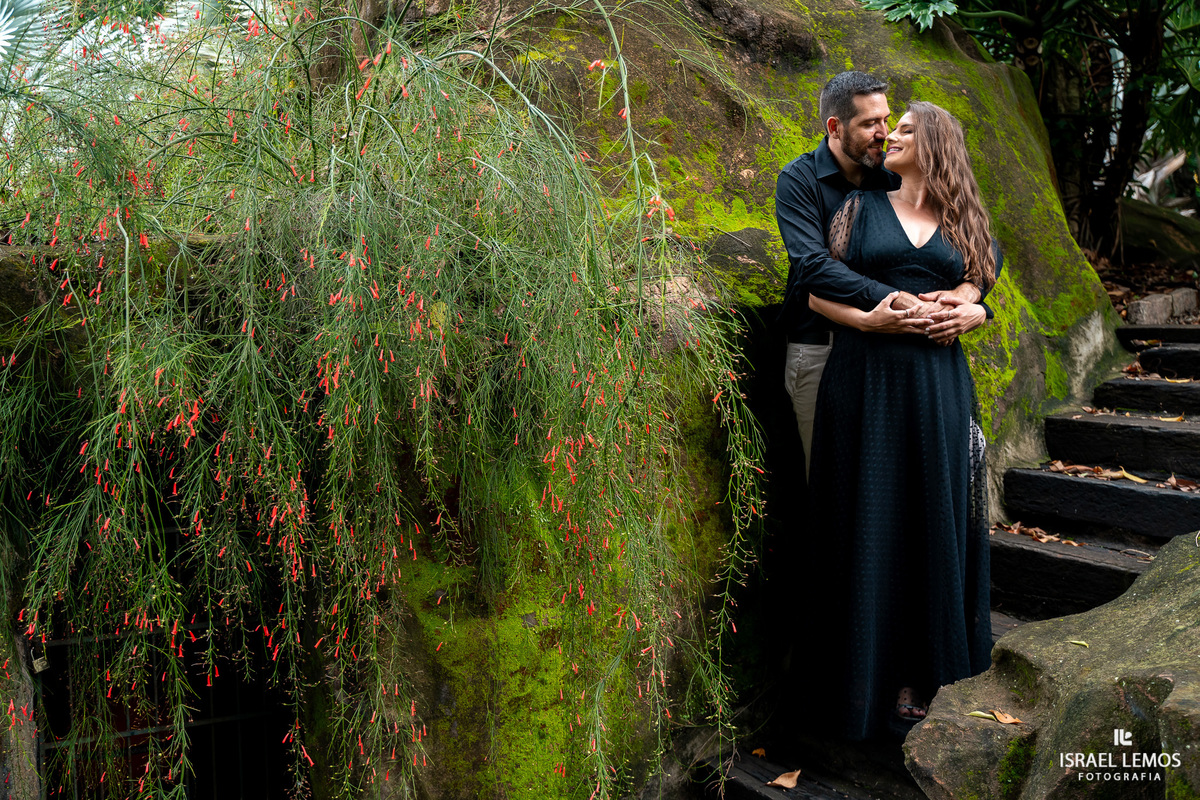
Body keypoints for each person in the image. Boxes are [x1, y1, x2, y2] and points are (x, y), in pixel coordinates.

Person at [806, 101, 1002, 739]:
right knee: (863, 518)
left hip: (938, 387)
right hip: (863, 379)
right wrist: (871, 317)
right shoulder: (858, 209)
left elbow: (980, 284)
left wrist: (977, 309)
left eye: (907, 130)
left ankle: (923, 671)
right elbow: (817, 291)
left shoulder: (966, 220)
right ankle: (860, 675)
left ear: (936, 145)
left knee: (929, 518)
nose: (891, 135)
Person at [775, 72, 990, 479]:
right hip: (821, 347)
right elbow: (813, 269)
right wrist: (896, 299)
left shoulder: (896, 174)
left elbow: (977, 244)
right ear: (835, 128)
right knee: (834, 484)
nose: (884, 133)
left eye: (887, 120)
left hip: (902, 357)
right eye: (870, 124)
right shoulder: (799, 181)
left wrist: (972, 295)